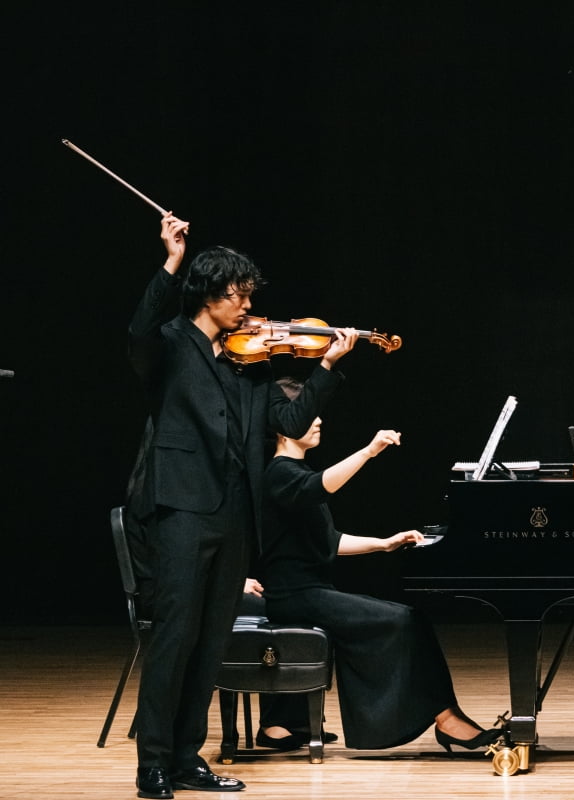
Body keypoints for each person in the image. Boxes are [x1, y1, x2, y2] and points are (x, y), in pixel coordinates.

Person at [127, 214, 357, 799]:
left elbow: (287, 423)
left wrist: (325, 368)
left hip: (234, 515)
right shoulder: (173, 345)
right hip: (181, 508)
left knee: (210, 643)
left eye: (250, 295)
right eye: (239, 294)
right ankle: (152, 762)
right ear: (209, 294)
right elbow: (140, 330)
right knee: (175, 637)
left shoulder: (248, 363)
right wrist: (171, 260)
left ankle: (186, 757)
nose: (248, 306)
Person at [255, 377, 501, 753]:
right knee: (403, 620)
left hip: (311, 593)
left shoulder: (295, 475)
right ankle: (445, 720)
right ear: (283, 425)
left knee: (408, 618)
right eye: (308, 414)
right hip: (294, 596)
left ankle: (281, 726)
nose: (318, 420)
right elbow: (321, 486)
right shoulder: (279, 474)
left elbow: (330, 541)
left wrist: (384, 543)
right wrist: (368, 451)